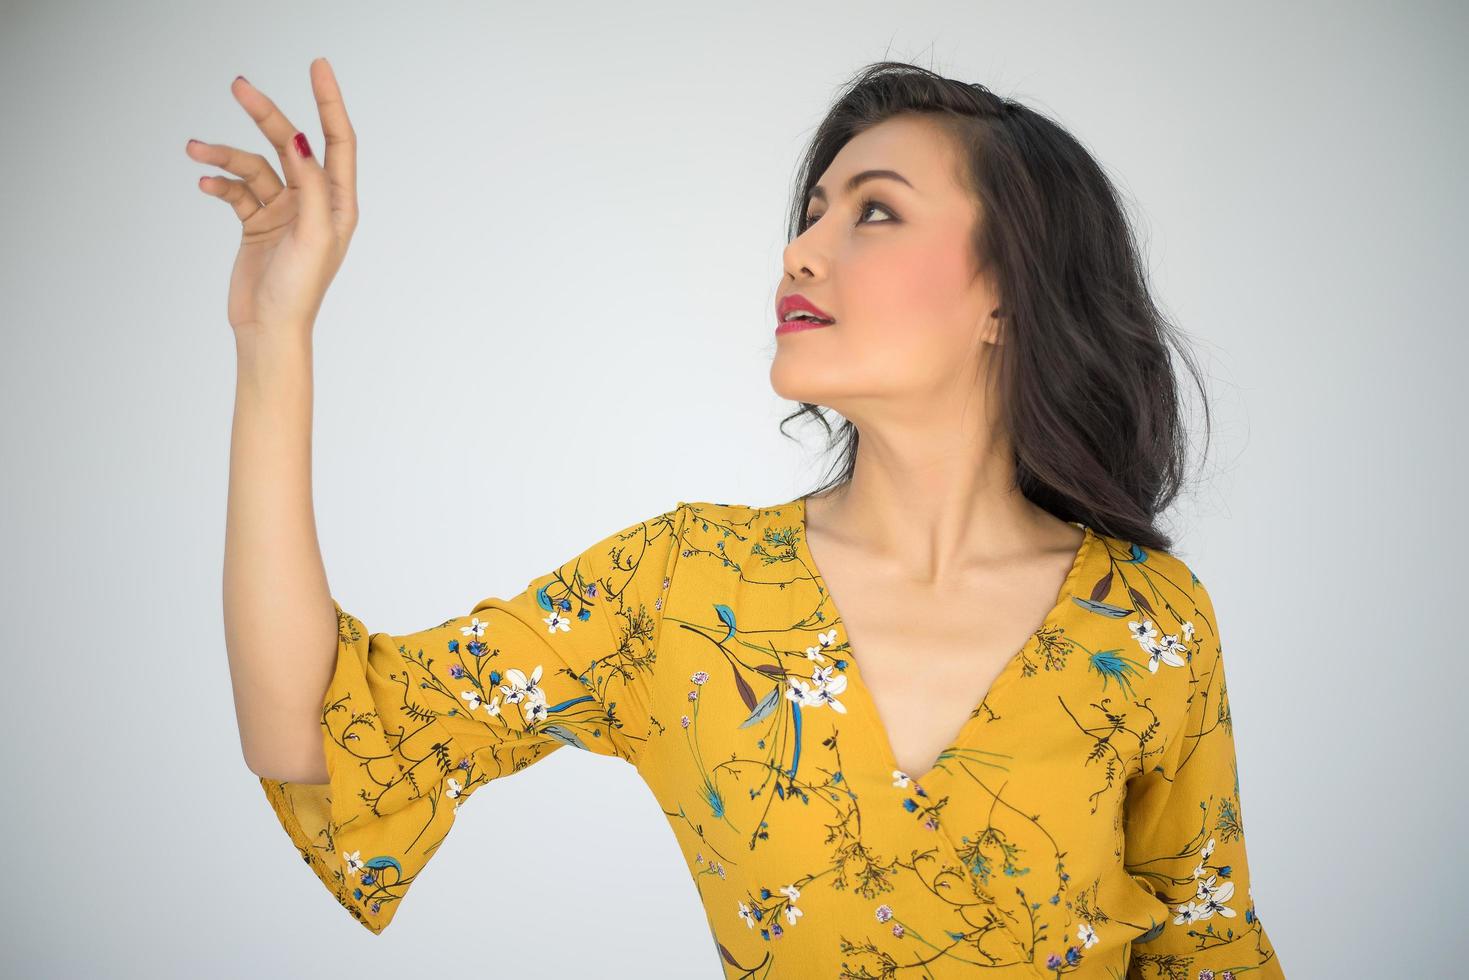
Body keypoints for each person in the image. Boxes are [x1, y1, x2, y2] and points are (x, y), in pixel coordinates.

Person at [202, 57, 1284, 978]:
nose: (798, 250)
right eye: (809, 212)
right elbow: (325, 737)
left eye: (872, 209)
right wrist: (272, 333)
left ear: (1007, 289)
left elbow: (1209, 948)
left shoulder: (1146, 622)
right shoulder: (686, 584)